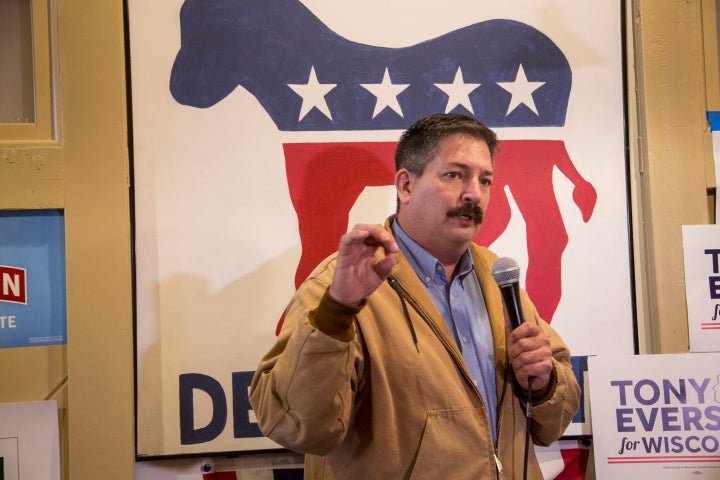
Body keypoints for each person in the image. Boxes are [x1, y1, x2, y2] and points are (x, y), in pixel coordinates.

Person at [249, 113, 580, 479]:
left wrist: (545, 382)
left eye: (485, 180)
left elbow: (553, 423)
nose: (474, 192)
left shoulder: (498, 278)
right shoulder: (340, 286)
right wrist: (337, 313)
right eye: (455, 174)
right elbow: (299, 426)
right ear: (405, 186)